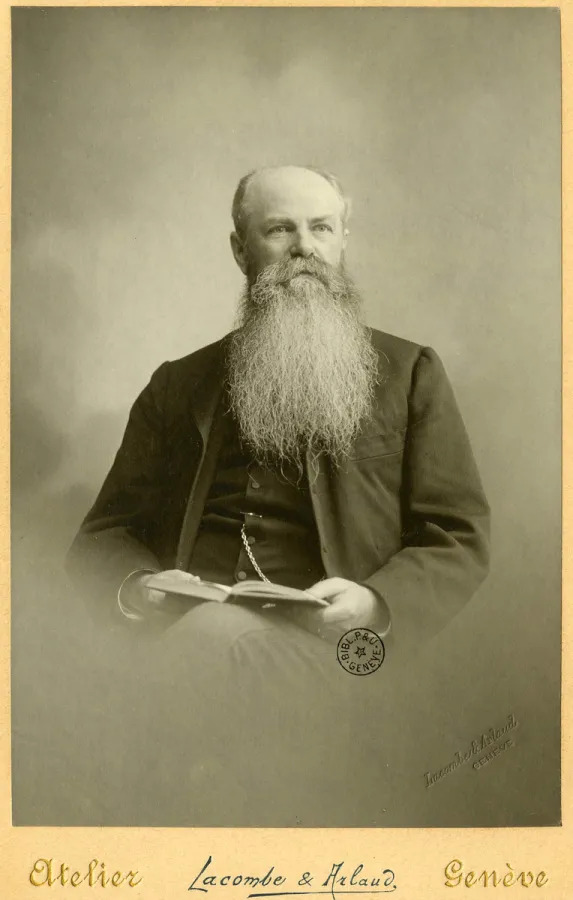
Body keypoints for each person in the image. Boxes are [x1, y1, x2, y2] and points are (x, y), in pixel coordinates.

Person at [67, 165, 490, 825]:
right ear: (240, 249)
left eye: (321, 227)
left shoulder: (409, 374)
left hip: (345, 650)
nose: (304, 247)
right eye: (279, 229)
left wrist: (374, 600)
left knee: (180, 676)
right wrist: (139, 588)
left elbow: (456, 533)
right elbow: (104, 535)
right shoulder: (180, 385)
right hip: (190, 636)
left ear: (343, 237)